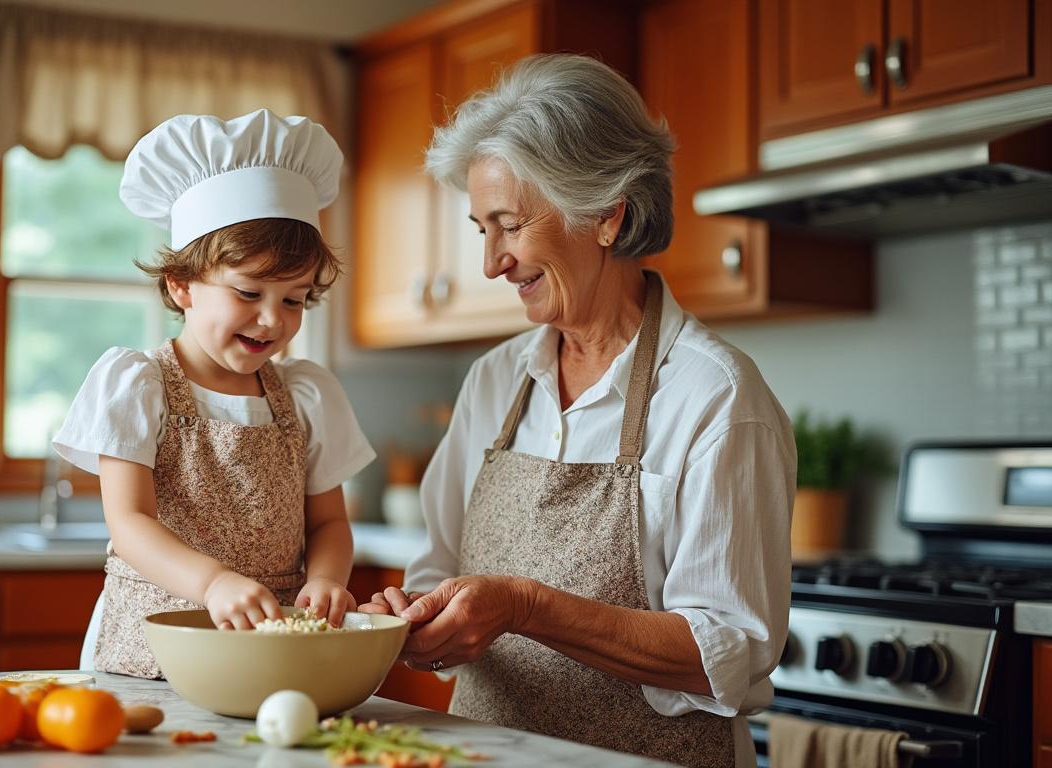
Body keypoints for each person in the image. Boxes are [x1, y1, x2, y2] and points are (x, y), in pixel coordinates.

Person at [359, 54, 794, 768]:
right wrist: (414, 618)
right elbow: (440, 571)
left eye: (509, 225)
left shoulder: (714, 396)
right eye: (481, 230)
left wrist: (526, 607)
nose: (492, 263)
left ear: (606, 215)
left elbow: (728, 653)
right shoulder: (495, 382)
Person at [54, 109, 376, 679]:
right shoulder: (140, 385)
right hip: (154, 643)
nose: (272, 320)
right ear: (181, 286)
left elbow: (329, 523)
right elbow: (128, 522)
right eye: (249, 292)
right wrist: (212, 583)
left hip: (271, 644)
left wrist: (327, 580)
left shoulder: (306, 395)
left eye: (295, 299)